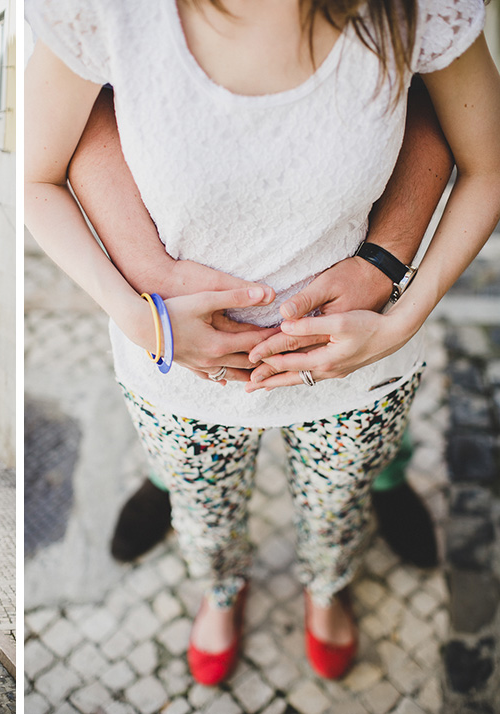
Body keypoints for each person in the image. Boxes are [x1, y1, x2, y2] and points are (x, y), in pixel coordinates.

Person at [25, 0, 500, 686]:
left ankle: (326, 590)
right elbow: (43, 172)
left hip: (358, 374)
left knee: (340, 506)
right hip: (179, 376)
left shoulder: (420, 8)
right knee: (202, 516)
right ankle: (221, 596)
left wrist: (400, 319)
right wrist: (140, 318)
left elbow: (483, 160)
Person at [72, 83, 448, 568]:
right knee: (186, 459)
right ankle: (169, 482)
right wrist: (150, 276)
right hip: (181, 360)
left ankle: (387, 477)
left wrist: (384, 262)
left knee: (358, 460)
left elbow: (430, 91)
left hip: (358, 349)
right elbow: (73, 119)